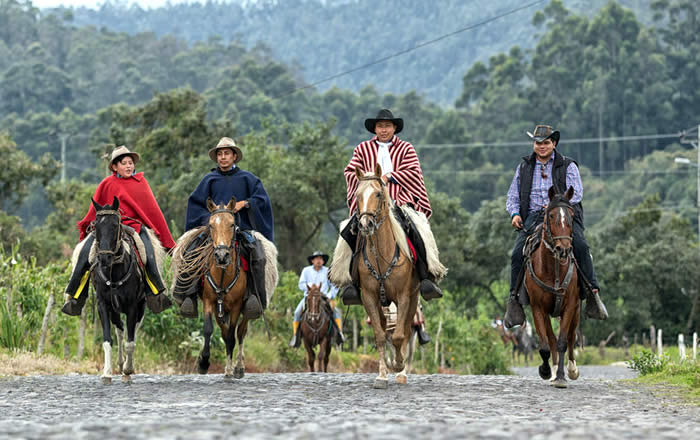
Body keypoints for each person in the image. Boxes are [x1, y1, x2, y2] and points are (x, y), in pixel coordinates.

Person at [504, 125, 608, 328]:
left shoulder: (568, 165)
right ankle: (514, 299)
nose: (541, 147)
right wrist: (515, 214)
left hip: (562, 215)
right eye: (538, 143)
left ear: (554, 144)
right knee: (517, 254)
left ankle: (592, 292)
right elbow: (512, 195)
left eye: (546, 143)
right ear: (534, 145)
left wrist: (556, 204)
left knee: (580, 246)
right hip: (533, 217)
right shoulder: (524, 166)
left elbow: (576, 193)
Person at [339, 109, 445, 304]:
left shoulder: (406, 148)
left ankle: (426, 277)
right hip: (371, 203)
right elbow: (350, 170)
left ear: (394, 127)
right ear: (375, 129)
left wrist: (390, 176)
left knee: (418, 230)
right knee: (348, 232)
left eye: (387, 126)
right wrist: (368, 180)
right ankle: (349, 281)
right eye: (380, 126)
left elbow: (414, 171)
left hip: (399, 202)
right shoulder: (362, 149)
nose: (384, 129)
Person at [61, 146, 175, 316]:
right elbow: (95, 210)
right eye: (124, 163)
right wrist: (89, 226)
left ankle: (156, 293)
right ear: (115, 167)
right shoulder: (107, 184)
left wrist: (168, 242)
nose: (129, 166)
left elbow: (153, 212)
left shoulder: (140, 183)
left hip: (134, 226)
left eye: (131, 163)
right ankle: (75, 296)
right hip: (107, 228)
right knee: (85, 254)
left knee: (148, 254)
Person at [173, 137, 274, 319]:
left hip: (241, 229)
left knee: (258, 255)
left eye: (226, 153)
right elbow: (195, 203)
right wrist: (212, 220)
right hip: (214, 230)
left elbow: (263, 200)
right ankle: (188, 294)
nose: (223, 157)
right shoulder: (209, 179)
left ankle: (256, 297)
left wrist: (246, 203)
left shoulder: (248, 179)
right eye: (220, 154)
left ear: (234, 156)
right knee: (190, 249)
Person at [288, 251, 345, 348]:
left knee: (335, 312)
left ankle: (339, 334)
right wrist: (310, 287)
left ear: (323, 261)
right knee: (297, 313)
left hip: (324, 297)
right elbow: (301, 284)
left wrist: (329, 295)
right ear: (312, 261)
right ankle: (295, 336)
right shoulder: (306, 270)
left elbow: (335, 286)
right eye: (316, 259)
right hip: (309, 296)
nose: (319, 261)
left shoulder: (328, 271)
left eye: (321, 259)